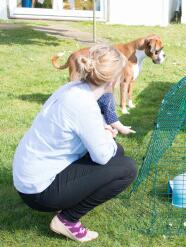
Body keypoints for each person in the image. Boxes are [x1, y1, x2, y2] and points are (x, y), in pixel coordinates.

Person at [12, 44, 137, 242]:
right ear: (112, 80)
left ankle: (69, 199)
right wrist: (107, 136)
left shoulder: (72, 88)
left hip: (28, 176)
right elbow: (102, 156)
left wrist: (103, 133)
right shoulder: (84, 105)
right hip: (38, 191)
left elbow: (82, 127)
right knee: (127, 168)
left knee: (118, 153)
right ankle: (67, 220)